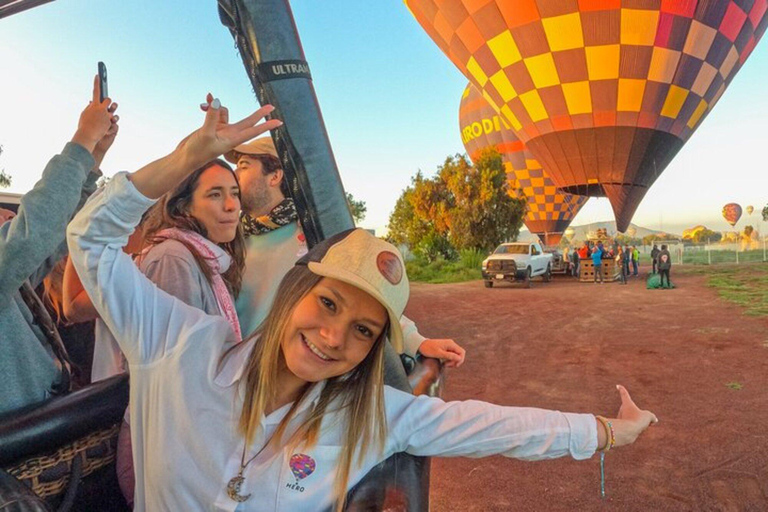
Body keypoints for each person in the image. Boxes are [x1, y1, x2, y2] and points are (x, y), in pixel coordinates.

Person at [67, 96, 657, 512]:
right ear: (296, 290)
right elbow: (89, 239)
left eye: (363, 331)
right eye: (326, 304)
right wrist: (186, 158)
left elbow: (493, 425)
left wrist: (606, 432)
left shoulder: (371, 417)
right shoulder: (178, 347)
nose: (333, 337)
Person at [64, 156, 247, 506]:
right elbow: (178, 371)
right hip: (168, 444)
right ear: (183, 206)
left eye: (234, 193)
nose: (230, 205)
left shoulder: (203, 257)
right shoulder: (174, 257)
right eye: (214, 194)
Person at [226, 136, 465, 389]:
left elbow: (365, 292)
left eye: (243, 165)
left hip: (281, 380)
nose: (234, 174)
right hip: (230, 374)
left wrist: (416, 341)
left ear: (274, 176)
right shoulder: (228, 235)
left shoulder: (315, 235)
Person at [0, 76, 117, 414]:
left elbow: (50, 240)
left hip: (39, 418)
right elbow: (28, 237)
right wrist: (81, 143)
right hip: (18, 444)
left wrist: (91, 162)